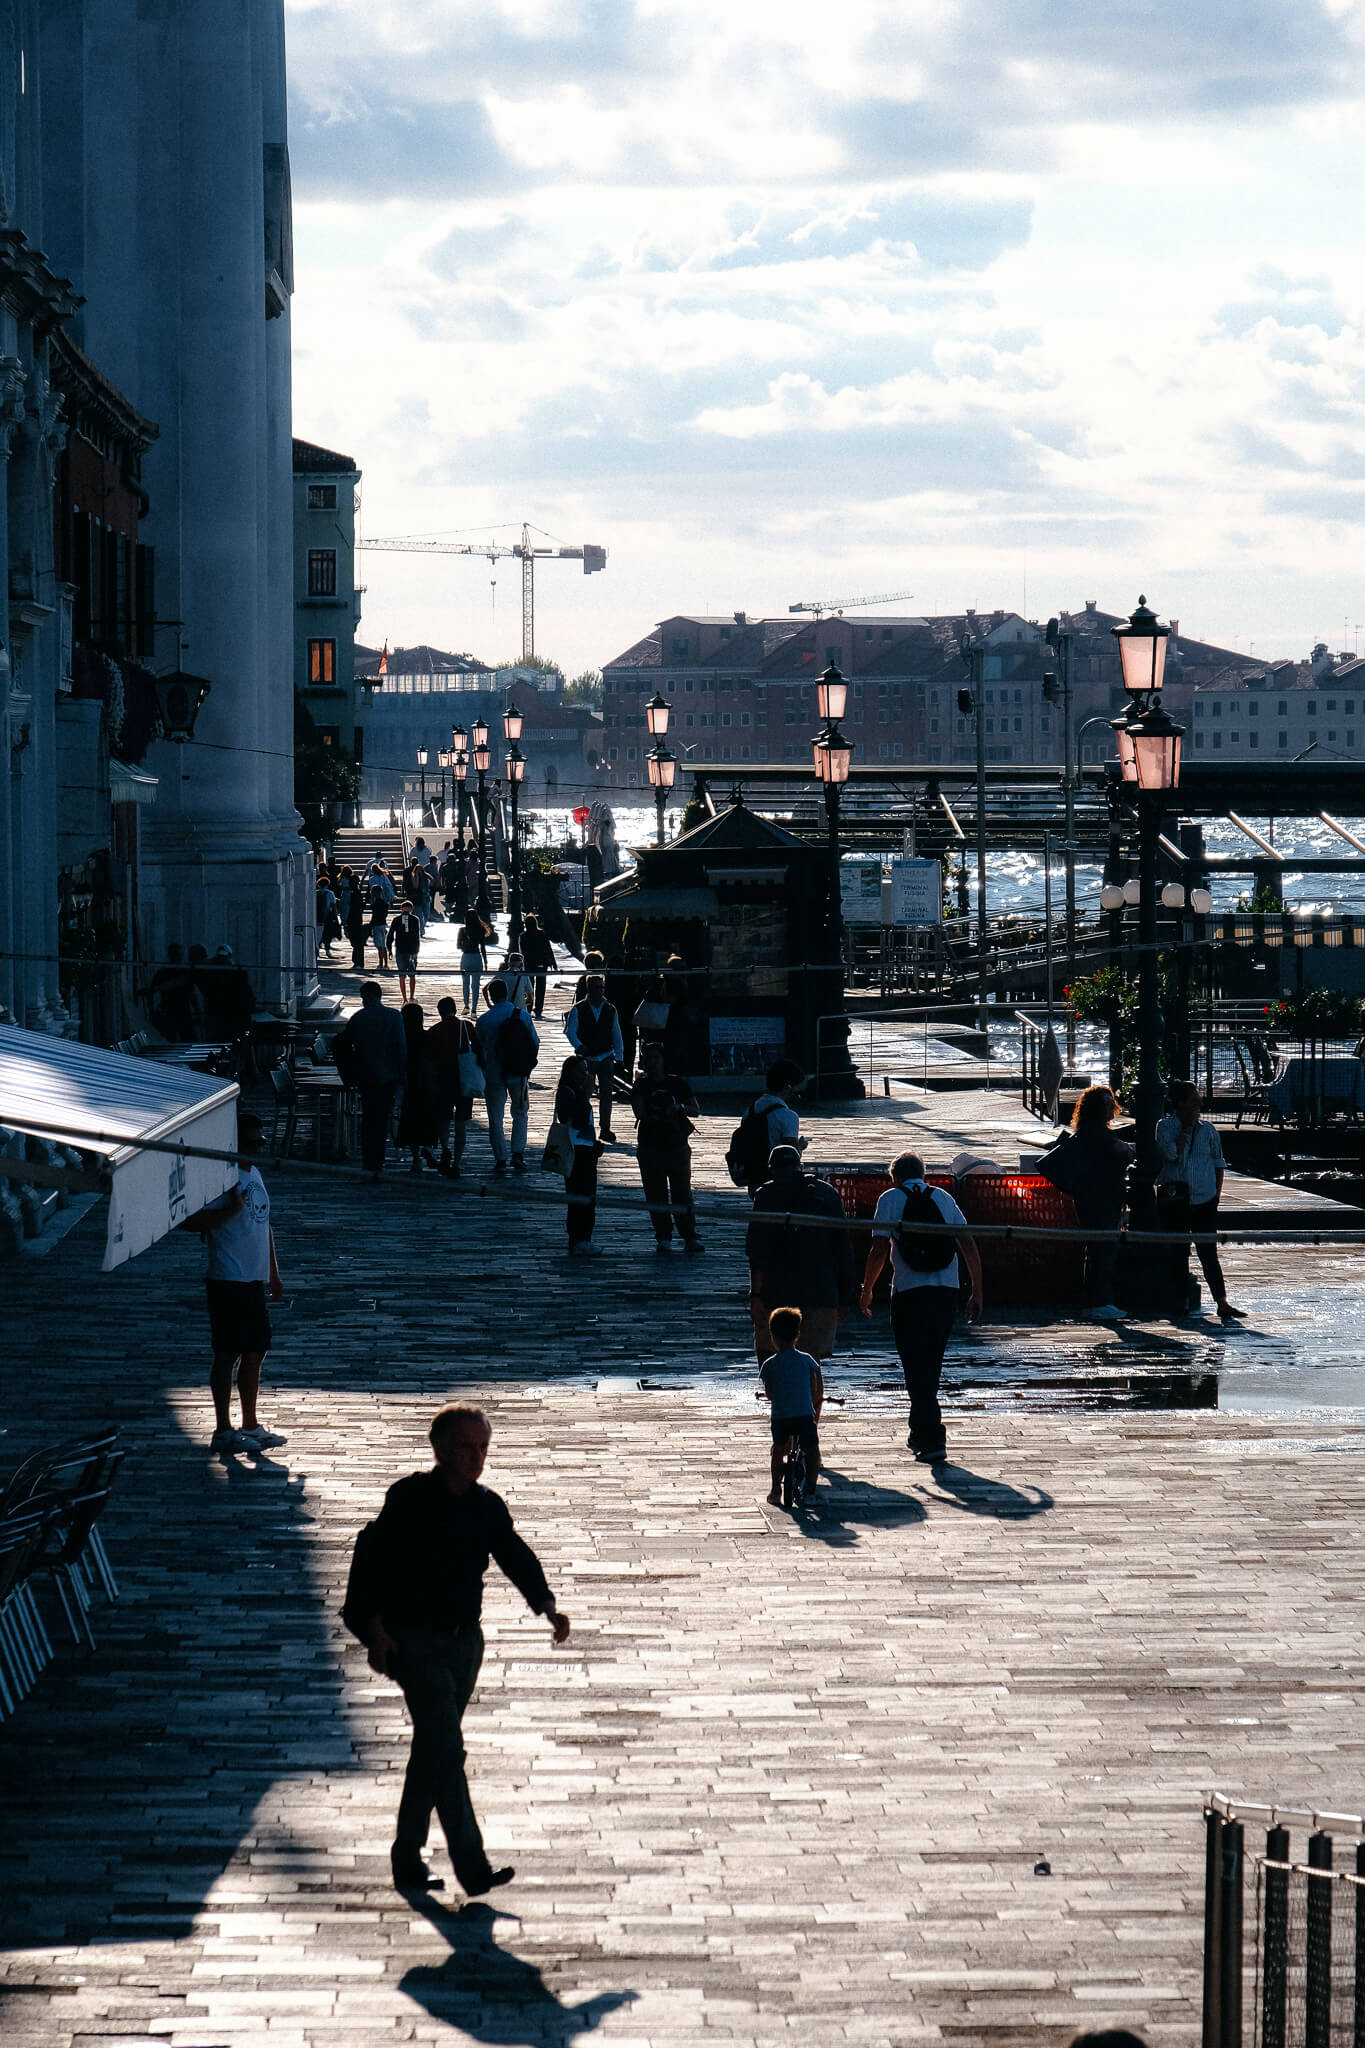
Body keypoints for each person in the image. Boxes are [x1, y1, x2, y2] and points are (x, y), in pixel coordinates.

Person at [342, 1404, 571, 1895]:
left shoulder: (486, 1506)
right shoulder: (407, 1499)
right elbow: (372, 1563)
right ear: (439, 1449)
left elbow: (513, 1554)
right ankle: (472, 1865)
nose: (476, 1457)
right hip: (414, 1641)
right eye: (467, 1447)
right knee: (447, 1746)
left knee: (433, 1748)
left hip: (466, 1642)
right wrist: (374, 1630)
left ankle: (407, 1857)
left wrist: (546, 1605)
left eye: (483, 1448)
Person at [859, 1150, 983, 1463]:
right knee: (932, 1362)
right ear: (924, 1174)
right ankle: (920, 1431)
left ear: (894, 1177)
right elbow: (967, 1242)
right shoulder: (942, 1197)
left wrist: (867, 1289)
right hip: (945, 1290)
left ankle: (931, 1437)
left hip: (909, 1291)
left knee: (915, 1365)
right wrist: (978, 1291)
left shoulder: (890, 1198)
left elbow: (877, 1249)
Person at [183, 1111, 286, 1453]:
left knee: (256, 1351)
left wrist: (272, 1271)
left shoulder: (253, 1172)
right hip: (227, 1276)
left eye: (259, 1142)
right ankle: (223, 1427)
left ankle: (251, 1423)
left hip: (252, 1277)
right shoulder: (220, 1178)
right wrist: (230, 1211)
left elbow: (263, 1224)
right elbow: (192, 1221)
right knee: (227, 1353)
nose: (256, 1148)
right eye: (250, 1142)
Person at [747, 1145, 855, 1361]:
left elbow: (758, 1252)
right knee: (812, 1364)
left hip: (776, 1294)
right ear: (800, 1166)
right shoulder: (827, 1193)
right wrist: (845, 1297)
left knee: (772, 1359)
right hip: (821, 1293)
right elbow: (844, 1249)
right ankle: (812, 1396)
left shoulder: (766, 1196)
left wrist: (755, 1296)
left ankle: (777, 1395)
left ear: (772, 1170)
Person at [1041, 1085, 1135, 1322]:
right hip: (1101, 1199)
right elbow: (1120, 1154)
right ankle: (1102, 1301)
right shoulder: (1098, 1135)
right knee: (1104, 1249)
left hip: (1090, 1197)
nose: (1110, 1108)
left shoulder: (1085, 1133)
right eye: (1106, 1104)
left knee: (1093, 1250)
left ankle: (1093, 1300)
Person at [1156, 1079, 1244, 1323]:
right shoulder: (1165, 1127)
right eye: (1193, 1101)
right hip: (1177, 1199)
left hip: (1204, 1198)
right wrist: (1185, 1130)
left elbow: (1218, 1161)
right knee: (1178, 1252)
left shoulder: (1208, 1130)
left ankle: (1222, 1302)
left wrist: (1216, 1193)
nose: (1198, 1105)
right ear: (1180, 1103)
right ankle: (1180, 1302)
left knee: (1209, 1252)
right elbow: (1171, 1154)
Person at [630, 1042, 702, 1252]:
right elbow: (639, 1113)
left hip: (676, 1144)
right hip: (650, 1145)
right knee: (655, 1193)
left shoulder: (677, 1084)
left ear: (663, 1061)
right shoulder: (641, 1085)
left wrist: (678, 1107)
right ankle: (663, 1236)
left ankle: (689, 1234)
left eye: (656, 1058)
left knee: (682, 1192)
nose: (652, 1063)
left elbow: (695, 1109)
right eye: (648, 1059)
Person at [333, 981, 408, 1179]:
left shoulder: (358, 1018)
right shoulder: (394, 1016)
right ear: (380, 995)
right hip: (387, 1075)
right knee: (382, 1118)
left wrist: (349, 1073)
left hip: (366, 1075)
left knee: (368, 1117)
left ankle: (369, 1159)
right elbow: (401, 1047)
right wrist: (402, 1075)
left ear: (365, 997)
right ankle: (378, 1159)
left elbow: (344, 1044)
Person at [758, 1306, 822, 1506]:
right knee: (812, 1450)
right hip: (804, 1415)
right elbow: (816, 1389)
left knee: (778, 1449)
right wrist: (812, 1401)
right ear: (798, 1335)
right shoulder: (807, 1360)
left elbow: (769, 1393)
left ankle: (775, 1489)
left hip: (781, 1418)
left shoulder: (769, 1364)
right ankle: (811, 1488)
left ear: (773, 1337)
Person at [475, 978, 539, 1174]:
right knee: (520, 1114)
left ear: (491, 997)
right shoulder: (521, 1015)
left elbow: (478, 1049)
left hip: (493, 1074)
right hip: (518, 1073)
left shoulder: (484, 1020)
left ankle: (500, 1158)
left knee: (495, 1117)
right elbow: (535, 1042)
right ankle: (517, 1154)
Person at [563, 973, 624, 1141]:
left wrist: (620, 1058)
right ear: (589, 988)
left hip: (605, 1056)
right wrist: (579, 1046)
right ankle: (584, 1125)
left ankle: (605, 1128)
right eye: (596, 987)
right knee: (584, 1094)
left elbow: (616, 1034)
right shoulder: (579, 1008)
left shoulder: (610, 1009)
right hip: (587, 1059)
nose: (599, 991)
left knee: (606, 1093)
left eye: (602, 987)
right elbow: (570, 1031)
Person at [556, 1053, 601, 1255]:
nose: (586, 1075)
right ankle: (580, 1237)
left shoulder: (572, 1091)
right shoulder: (569, 1093)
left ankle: (581, 1238)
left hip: (584, 1148)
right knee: (581, 1194)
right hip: (577, 1151)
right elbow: (578, 1120)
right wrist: (586, 1095)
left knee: (583, 1194)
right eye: (582, 1071)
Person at [396, 1001, 440, 1174]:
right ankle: (428, 1146)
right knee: (428, 1117)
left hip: (408, 1084)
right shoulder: (427, 1036)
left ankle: (415, 1158)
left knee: (409, 1120)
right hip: (427, 1084)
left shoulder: (402, 1038)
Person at [145, 943, 204, 1043]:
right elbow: (151, 991)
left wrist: (198, 1013)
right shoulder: (166, 972)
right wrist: (151, 1011)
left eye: (179, 954)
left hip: (181, 1012)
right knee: (175, 1042)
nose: (178, 957)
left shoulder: (180, 972)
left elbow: (192, 994)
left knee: (185, 1042)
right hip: (171, 1012)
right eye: (176, 954)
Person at [519, 913, 555, 1017]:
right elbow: (548, 949)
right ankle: (539, 1009)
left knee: (529, 987)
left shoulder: (523, 936)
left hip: (528, 964)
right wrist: (552, 961)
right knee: (541, 987)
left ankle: (529, 1007)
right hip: (541, 964)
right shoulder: (542, 934)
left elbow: (522, 952)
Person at [391, 899, 422, 1004]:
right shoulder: (415, 919)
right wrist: (416, 951)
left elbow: (390, 934)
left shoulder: (396, 919)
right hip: (411, 950)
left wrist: (389, 949)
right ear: (411, 909)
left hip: (400, 949)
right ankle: (411, 996)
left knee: (402, 974)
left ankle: (404, 998)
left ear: (401, 909)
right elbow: (417, 936)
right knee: (412, 974)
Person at [459, 911, 490, 1014]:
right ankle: (474, 1009)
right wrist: (485, 961)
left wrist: (465, 944)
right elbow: (483, 947)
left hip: (466, 957)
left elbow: (459, 945)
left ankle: (466, 1005)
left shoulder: (463, 930)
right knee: (476, 985)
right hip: (477, 957)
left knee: (465, 983)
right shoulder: (480, 930)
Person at [344, 870, 370, 970]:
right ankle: (358, 962)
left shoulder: (354, 894)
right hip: (356, 920)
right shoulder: (356, 893)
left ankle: (358, 962)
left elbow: (353, 908)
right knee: (357, 943)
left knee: (357, 943)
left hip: (353, 920)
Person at [368, 872, 393, 972]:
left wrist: (371, 923)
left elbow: (376, 915)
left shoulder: (377, 903)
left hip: (378, 925)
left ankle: (383, 963)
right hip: (381, 924)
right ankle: (383, 963)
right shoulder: (383, 903)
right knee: (381, 945)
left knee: (381, 946)